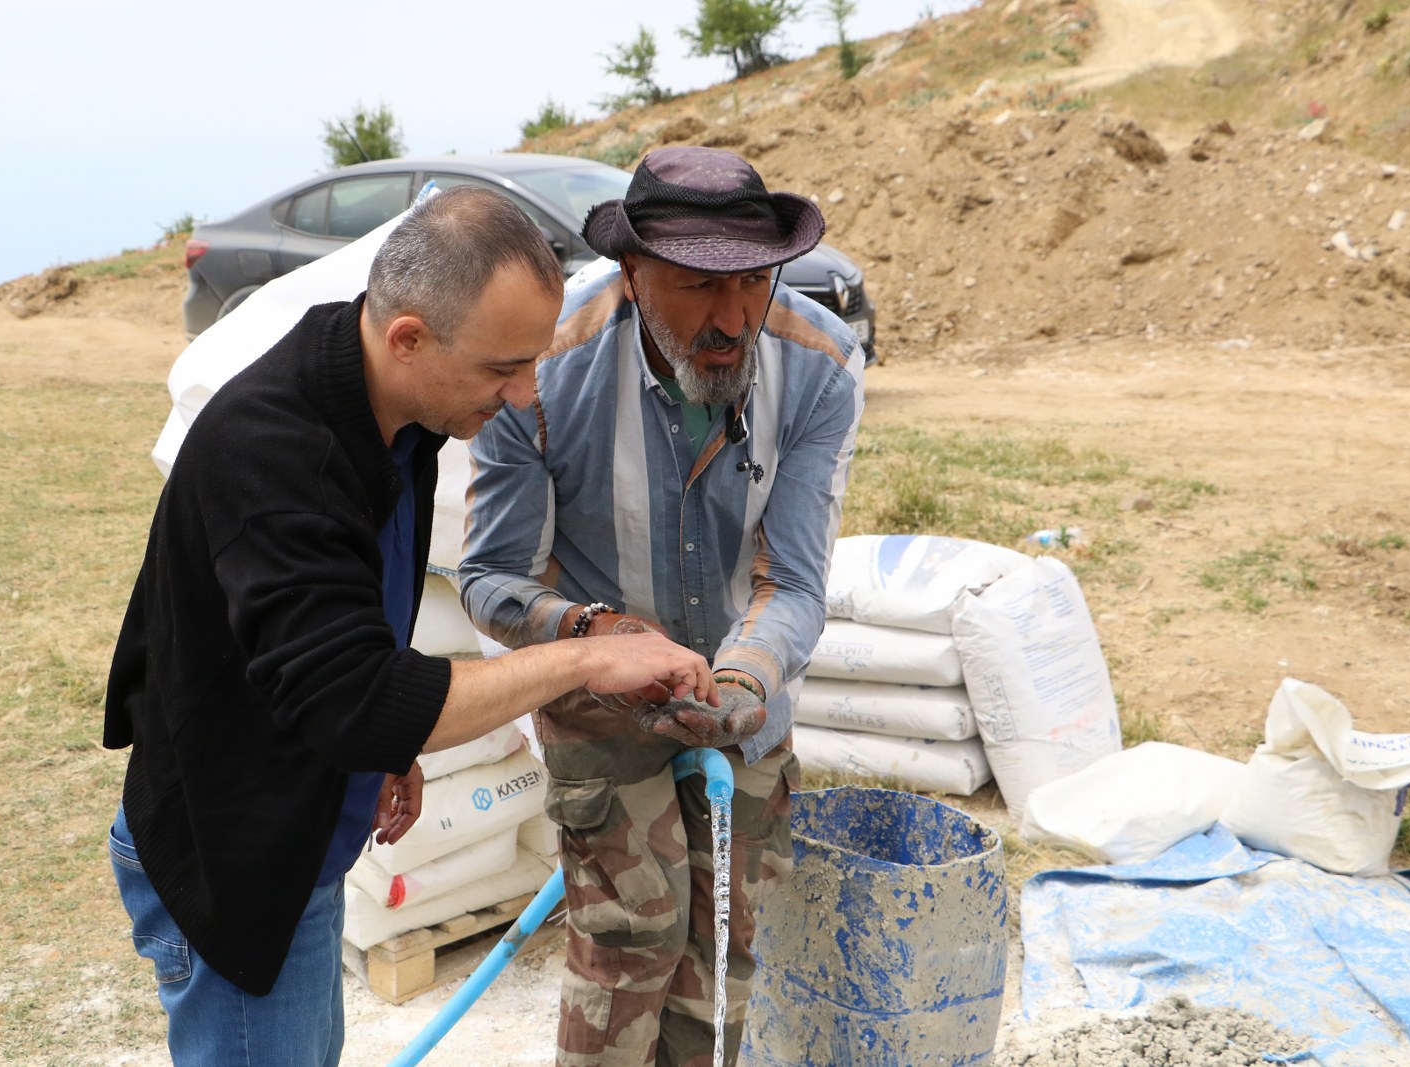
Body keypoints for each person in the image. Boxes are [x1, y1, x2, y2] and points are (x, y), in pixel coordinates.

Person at [102, 186, 718, 1067]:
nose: (521, 394)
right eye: (503, 368)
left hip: (298, 828)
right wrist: (584, 656)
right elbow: (354, 696)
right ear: (408, 338)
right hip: (233, 856)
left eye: (532, 362)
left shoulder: (397, 408)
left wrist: (393, 742)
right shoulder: (276, 453)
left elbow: (346, 612)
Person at [458, 146, 866, 1065]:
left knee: (727, 943)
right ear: (632, 273)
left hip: (744, 699)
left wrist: (738, 676)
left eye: (754, 283)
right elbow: (491, 578)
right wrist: (598, 639)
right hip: (596, 695)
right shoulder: (545, 369)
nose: (732, 319)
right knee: (631, 938)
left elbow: (792, 582)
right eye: (695, 286)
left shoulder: (819, 367)